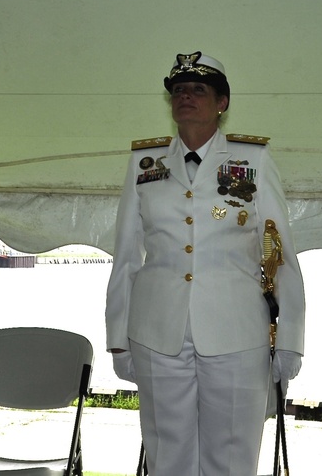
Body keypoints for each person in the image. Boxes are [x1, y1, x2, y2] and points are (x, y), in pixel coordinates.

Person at [105, 51, 305, 476]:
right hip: (158, 330)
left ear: (222, 103)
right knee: (167, 455)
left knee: (231, 457)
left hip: (236, 331)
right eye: (178, 90)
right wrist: (117, 336)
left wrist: (290, 336)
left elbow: (279, 252)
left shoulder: (253, 160)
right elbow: (125, 255)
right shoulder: (146, 164)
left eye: (198, 89)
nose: (186, 97)